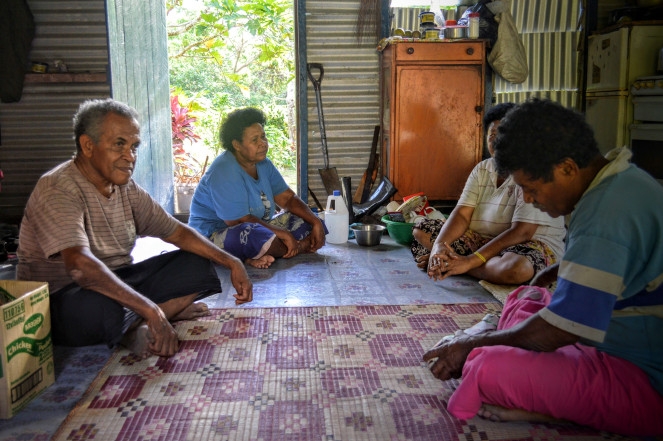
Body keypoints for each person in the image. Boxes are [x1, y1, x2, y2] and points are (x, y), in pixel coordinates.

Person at [422, 98, 663, 436]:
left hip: (644, 379)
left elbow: (563, 328)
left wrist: (476, 344)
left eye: (531, 189)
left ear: (566, 168)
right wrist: (563, 268)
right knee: (524, 298)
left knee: (485, 366)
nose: (530, 199)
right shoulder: (618, 182)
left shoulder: (605, 212)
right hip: (609, 340)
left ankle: (563, 409)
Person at [17, 98, 254, 359]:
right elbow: (80, 268)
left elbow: (177, 232)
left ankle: (140, 323)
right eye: (119, 144)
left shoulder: (125, 187)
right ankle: (148, 320)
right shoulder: (58, 188)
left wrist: (232, 261)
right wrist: (151, 309)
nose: (130, 156)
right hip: (64, 300)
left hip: (119, 280)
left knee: (198, 260)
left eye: (134, 146)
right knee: (101, 306)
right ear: (87, 145)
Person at [411, 103, 566, 285]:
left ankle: (460, 265)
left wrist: (469, 262)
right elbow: (461, 214)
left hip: (526, 244)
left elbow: (522, 232)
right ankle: (461, 262)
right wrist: (439, 245)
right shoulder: (483, 168)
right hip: (482, 240)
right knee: (422, 230)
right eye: (492, 135)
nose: (496, 141)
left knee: (516, 270)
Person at [188, 107, 326, 269]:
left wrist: (315, 222)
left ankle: (264, 253)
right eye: (255, 140)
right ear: (237, 145)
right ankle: (297, 247)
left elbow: (287, 198)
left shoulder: (263, 164)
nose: (263, 143)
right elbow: (238, 221)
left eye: (263, 136)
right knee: (252, 235)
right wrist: (282, 234)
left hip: (257, 227)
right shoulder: (224, 170)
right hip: (212, 236)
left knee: (309, 220)